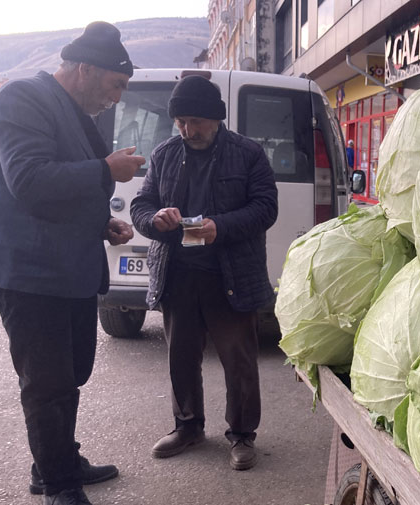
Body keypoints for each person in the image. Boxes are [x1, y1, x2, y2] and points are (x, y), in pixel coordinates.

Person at [0, 22, 145, 505]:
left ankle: (55, 460)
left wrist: (98, 224)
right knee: (48, 385)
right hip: (29, 274)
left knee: (70, 375)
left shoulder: (70, 110)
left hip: (65, 270)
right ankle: (59, 487)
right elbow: (31, 181)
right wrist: (105, 169)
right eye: (117, 84)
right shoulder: (22, 98)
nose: (118, 96)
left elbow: (63, 191)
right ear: (85, 68)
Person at [130, 75, 278, 471]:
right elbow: (141, 205)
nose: (187, 129)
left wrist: (221, 227)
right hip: (178, 274)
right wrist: (153, 218)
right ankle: (188, 426)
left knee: (239, 360)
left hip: (229, 274)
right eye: (180, 121)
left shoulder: (247, 154)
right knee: (181, 357)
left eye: (195, 121)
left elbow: (266, 208)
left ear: (216, 119)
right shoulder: (163, 153)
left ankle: (243, 435)